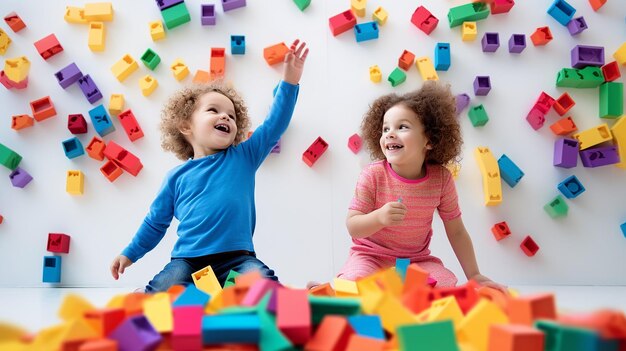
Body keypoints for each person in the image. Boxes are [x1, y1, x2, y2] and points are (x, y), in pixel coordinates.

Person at [110, 40, 309, 293]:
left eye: (232, 115)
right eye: (213, 110)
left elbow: (274, 125)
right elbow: (155, 223)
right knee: (164, 290)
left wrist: (290, 81)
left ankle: (244, 297)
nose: (225, 116)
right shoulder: (176, 178)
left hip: (238, 259)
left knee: (264, 288)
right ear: (186, 126)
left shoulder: (244, 156)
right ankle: (154, 296)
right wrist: (130, 253)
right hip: (188, 262)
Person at [337, 81, 505, 291]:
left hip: (414, 261)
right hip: (370, 257)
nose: (389, 133)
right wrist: (379, 217)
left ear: (430, 140)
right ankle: (328, 291)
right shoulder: (372, 174)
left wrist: (474, 274)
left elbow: (457, 232)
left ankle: (395, 294)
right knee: (354, 283)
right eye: (385, 128)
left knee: (444, 283)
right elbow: (353, 226)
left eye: (402, 127)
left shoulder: (441, 180)